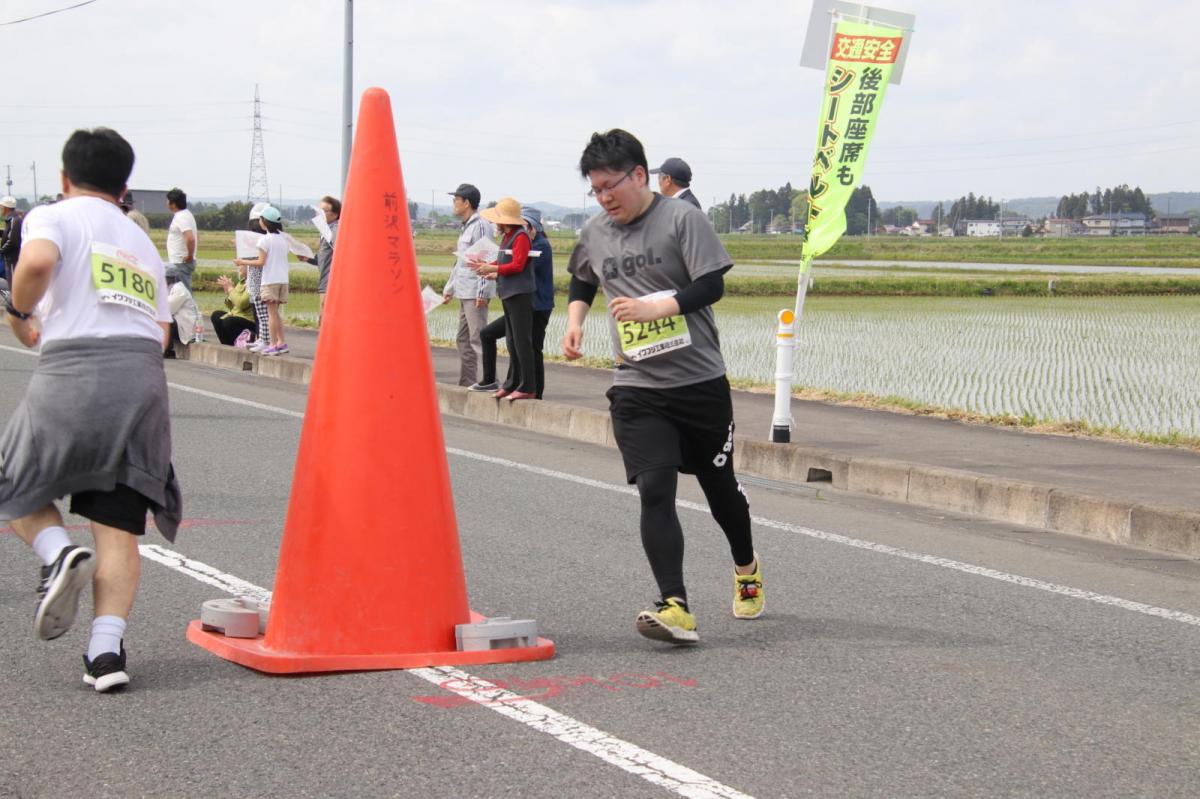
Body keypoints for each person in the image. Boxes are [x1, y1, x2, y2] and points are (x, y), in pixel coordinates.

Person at [563, 129, 761, 646]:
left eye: (611, 186)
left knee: (721, 494)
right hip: (637, 383)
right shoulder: (595, 230)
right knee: (654, 488)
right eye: (596, 189)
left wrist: (659, 306)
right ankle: (676, 606)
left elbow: (711, 283)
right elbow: (583, 276)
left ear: (640, 176)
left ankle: (746, 567)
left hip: (698, 382)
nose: (605, 197)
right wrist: (576, 319)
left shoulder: (682, 219)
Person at [0, 127, 181, 692]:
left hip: (75, 367)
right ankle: (106, 655)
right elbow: (161, 327)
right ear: (125, 186)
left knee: (13, 479)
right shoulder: (137, 239)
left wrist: (19, 311)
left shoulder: (54, 216)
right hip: (142, 377)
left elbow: (34, 266)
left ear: (63, 177)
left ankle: (57, 555)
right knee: (117, 525)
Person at [470, 197, 536, 401]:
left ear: (504, 220)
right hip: (508, 293)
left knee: (521, 341)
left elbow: (518, 264)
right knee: (511, 341)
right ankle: (512, 383)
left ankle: (527, 386)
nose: (495, 224)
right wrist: (488, 266)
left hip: (519, 295)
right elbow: (502, 260)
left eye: (497, 219)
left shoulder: (521, 236)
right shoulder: (509, 236)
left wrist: (495, 268)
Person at [441, 183, 495, 386]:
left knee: (478, 338)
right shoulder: (467, 226)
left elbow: (485, 259)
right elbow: (461, 262)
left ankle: (490, 381)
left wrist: (482, 292)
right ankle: (467, 382)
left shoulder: (481, 226)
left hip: (475, 291)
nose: (454, 204)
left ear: (467, 203)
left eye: (456, 200)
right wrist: (450, 288)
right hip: (464, 290)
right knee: (463, 340)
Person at [234, 205, 290, 355]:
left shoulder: (264, 240)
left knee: (269, 314)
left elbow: (260, 262)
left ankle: (271, 344)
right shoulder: (283, 239)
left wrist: (242, 262)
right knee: (276, 313)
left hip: (270, 280)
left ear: (264, 222)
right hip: (283, 280)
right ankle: (281, 342)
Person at [297, 195, 339, 323]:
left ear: (335, 214)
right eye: (318, 210)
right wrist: (308, 258)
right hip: (324, 280)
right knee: (324, 314)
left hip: (330, 281)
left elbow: (339, 251)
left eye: (324, 211)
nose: (319, 214)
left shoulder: (335, 229)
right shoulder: (325, 231)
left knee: (326, 316)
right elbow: (323, 258)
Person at [210, 262, 258, 345]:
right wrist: (228, 292)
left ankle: (244, 342)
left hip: (249, 321)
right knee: (216, 315)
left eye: (240, 265)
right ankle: (227, 345)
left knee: (229, 322)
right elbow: (232, 307)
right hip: (237, 315)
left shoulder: (253, 282)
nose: (238, 267)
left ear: (249, 267)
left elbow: (241, 303)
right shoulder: (242, 282)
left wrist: (230, 289)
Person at [164, 187, 198, 290]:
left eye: (168, 200)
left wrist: (189, 256)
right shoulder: (184, 215)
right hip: (178, 262)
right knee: (178, 292)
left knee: (183, 293)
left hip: (180, 262)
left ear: (173, 203)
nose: (166, 202)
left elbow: (190, 238)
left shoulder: (181, 217)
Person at [1, 195, 23, 284]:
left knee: (14, 284)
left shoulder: (14, 220)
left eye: (1, 207)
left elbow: (13, 240)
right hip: (10, 258)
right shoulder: (11, 220)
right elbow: (9, 234)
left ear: (6, 208)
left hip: (12, 258)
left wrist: (2, 250)